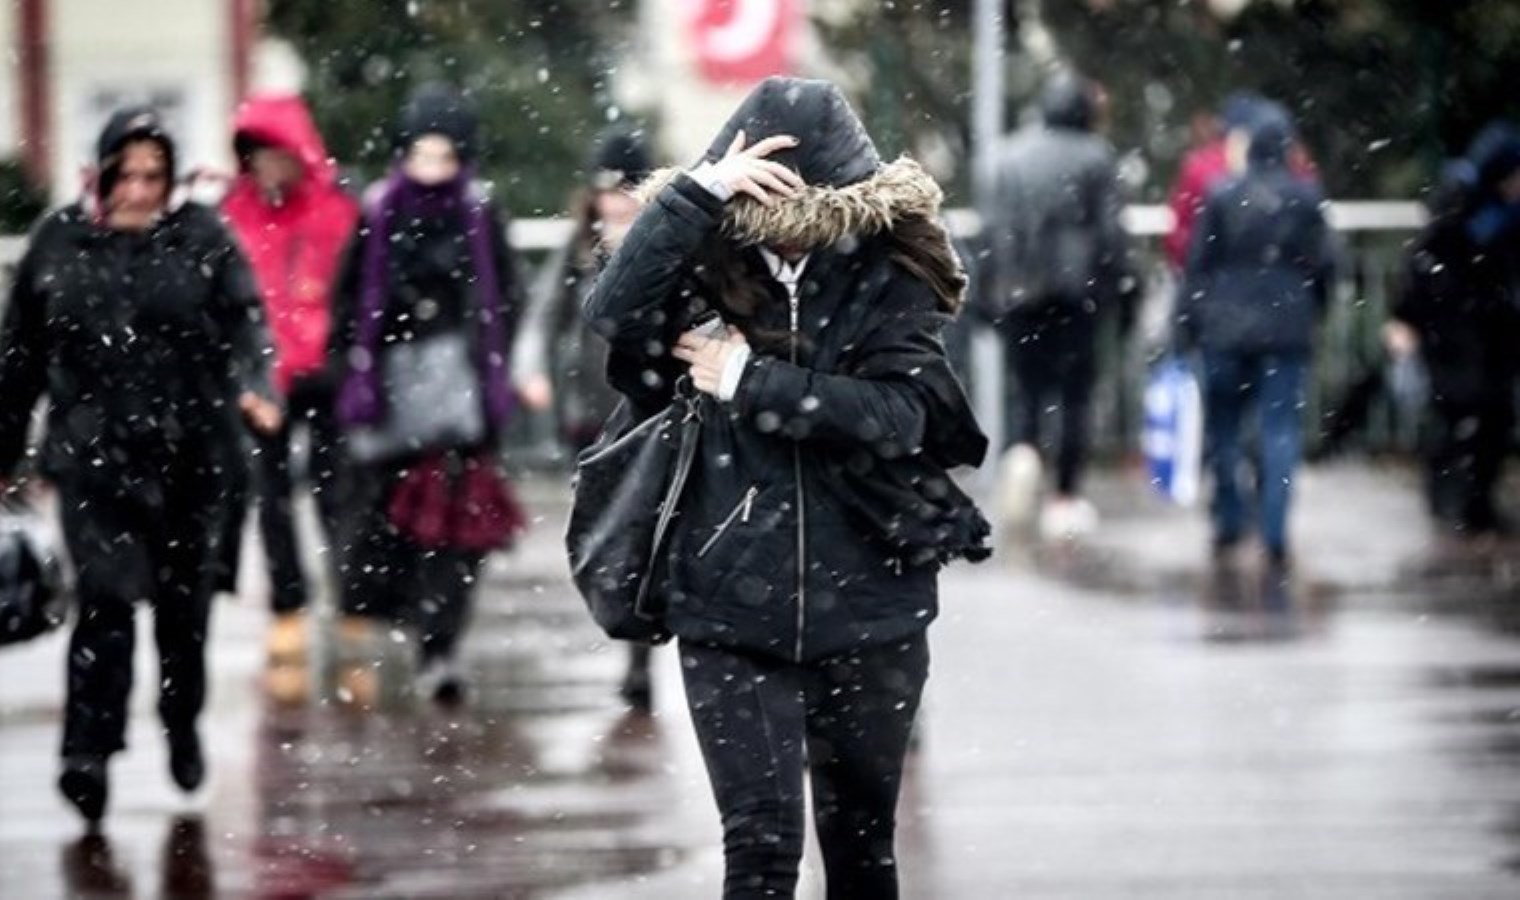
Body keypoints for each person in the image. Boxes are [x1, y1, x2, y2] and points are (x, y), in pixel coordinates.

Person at [584, 76, 990, 899]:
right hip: (728, 602)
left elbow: (903, 415)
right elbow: (612, 314)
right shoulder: (702, 262)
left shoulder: (888, 274)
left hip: (871, 599)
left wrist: (753, 381)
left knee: (861, 852)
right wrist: (696, 194)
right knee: (762, 852)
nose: (793, 243)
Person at [0, 107, 281, 822]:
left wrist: (256, 386)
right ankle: (86, 754)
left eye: (153, 177)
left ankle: (181, 722)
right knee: (105, 605)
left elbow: (249, 324)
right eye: (125, 175)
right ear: (99, 173)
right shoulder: (59, 241)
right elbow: (19, 356)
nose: (138, 191)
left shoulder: (202, 238)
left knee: (182, 617)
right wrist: (3, 451)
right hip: (94, 460)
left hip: (193, 458)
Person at [329, 84, 524, 707]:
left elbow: (505, 299)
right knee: (386, 526)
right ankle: (406, 625)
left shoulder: (478, 212)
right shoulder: (379, 210)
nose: (433, 168)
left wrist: (487, 370)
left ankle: (440, 645)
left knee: (455, 530)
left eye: (445, 156)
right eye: (423, 154)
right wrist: (356, 371)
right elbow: (348, 300)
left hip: (461, 402)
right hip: (386, 399)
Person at [513, 123, 662, 709]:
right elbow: (544, 316)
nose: (616, 202)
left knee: (645, 533)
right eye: (607, 189)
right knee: (607, 534)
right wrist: (531, 371)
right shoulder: (579, 251)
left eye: (627, 189)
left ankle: (640, 653)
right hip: (594, 417)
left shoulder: (666, 242)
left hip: (653, 409)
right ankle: (626, 629)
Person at [221, 93, 359, 693]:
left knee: (337, 496)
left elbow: (354, 292)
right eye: (258, 157)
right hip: (264, 382)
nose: (268, 169)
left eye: (277, 155)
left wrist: (339, 354)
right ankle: (289, 608)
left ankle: (350, 601)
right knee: (270, 498)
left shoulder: (336, 209)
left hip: (324, 374)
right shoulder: (233, 214)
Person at [1177, 103, 1336, 569]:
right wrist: (1312, 310)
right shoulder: (1306, 199)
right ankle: (1274, 530)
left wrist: (1189, 321)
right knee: (1280, 429)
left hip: (1225, 330)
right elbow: (1325, 264)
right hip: (1286, 330)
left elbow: (1198, 266)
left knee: (1223, 429)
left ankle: (1229, 522)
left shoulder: (1222, 194)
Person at [984, 72, 1136, 540]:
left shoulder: (1009, 155)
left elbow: (993, 230)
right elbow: (1111, 235)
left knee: (1026, 388)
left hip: (1020, 291)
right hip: (1077, 294)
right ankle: (1065, 497)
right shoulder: (1096, 157)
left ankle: (1024, 453)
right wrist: (1120, 288)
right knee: (1074, 396)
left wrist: (990, 293)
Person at [1387, 123, 1520, 536]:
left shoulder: (1501, 212)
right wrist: (1409, 318)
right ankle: (1453, 504)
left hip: (1488, 333)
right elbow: (1423, 264)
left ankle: (1473, 505)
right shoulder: (1460, 204)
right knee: (1456, 416)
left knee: (1489, 418)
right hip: (1453, 332)